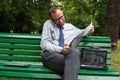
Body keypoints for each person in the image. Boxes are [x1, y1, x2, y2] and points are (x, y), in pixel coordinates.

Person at [40, 6, 94, 80]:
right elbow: (44, 44)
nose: (61, 21)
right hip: (49, 56)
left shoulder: (70, 27)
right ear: (52, 20)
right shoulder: (48, 24)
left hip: (65, 57)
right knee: (74, 64)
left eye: (61, 17)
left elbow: (82, 32)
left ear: (63, 14)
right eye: (57, 20)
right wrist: (61, 49)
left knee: (74, 53)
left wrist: (89, 30)